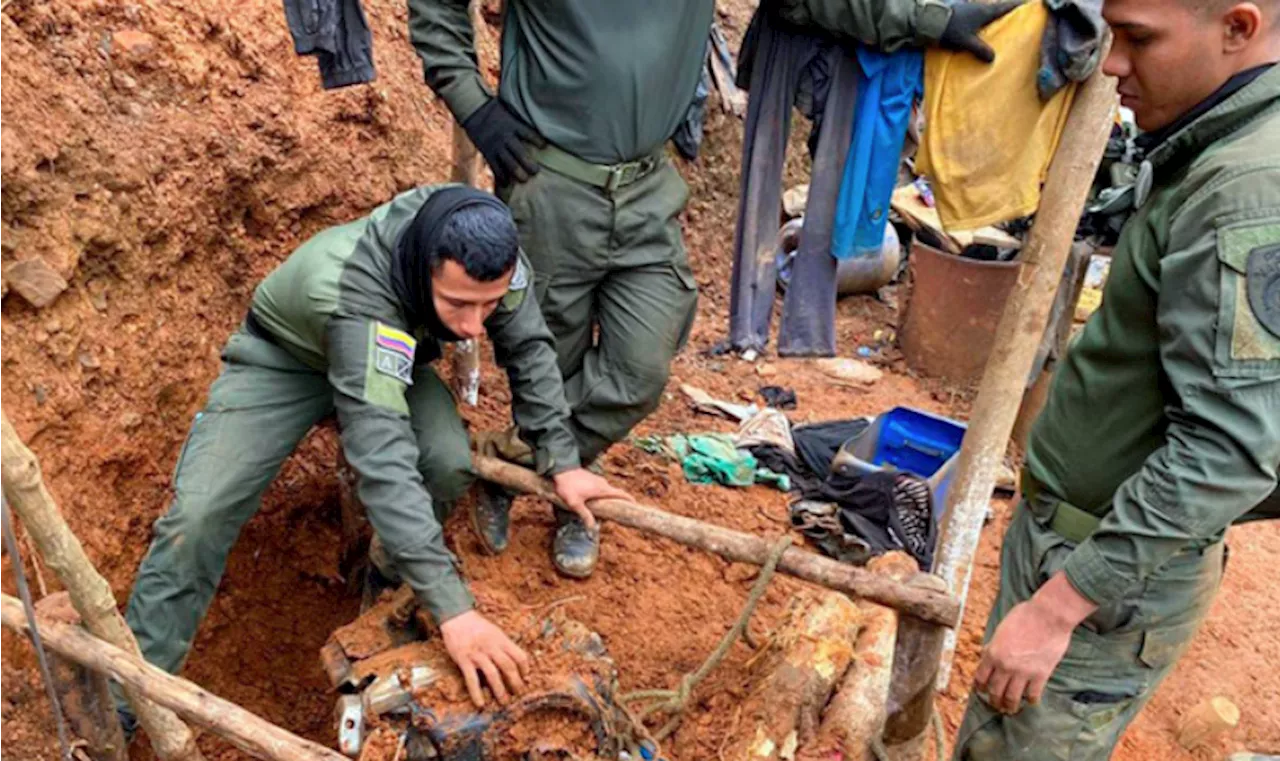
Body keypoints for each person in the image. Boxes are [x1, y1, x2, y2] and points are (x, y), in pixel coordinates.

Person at [407, 0, 1019, 579]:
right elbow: (435, 10)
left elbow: (813, 2)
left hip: (648, 188)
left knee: (639, 367)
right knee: (549, 358)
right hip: (549, 182)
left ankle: (508, 464)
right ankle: (568, 497)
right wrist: (473, 105)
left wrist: (933, 20)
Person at [117, 185, 630, 733]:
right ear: (420, 269)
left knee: (446, 461)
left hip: (397, 357)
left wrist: (562, 459)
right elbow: (382, 459)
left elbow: (529, 349)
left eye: (488, 305)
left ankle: (386, 593)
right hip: (286, 358)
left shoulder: (491, 248)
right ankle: (127, 700)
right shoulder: (358, 293)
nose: (475, 327)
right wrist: (455, 611)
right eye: (457, 305)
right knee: (199, 517)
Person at [954, 0, 1280, 755]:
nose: (1109, 63)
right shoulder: (1214, 147)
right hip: (1089, 545)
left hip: (1108, 572)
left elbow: (1229, 448)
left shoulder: (1245, 190)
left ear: (1237, 28)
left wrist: (1062, 604)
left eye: (1138, 38)